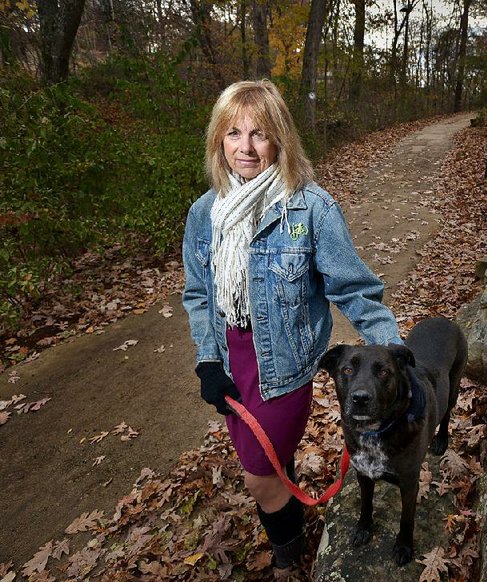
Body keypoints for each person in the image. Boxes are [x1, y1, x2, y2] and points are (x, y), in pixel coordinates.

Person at [182, 80, 402, 578]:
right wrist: (207, 359)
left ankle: (288, 558)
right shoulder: (204, 213)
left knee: (258, 478)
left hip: (283, 369)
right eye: (233, 133)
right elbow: (199, 295)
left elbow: (354, 290)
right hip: (231, 361)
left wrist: (393, 349)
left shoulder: (312, 209)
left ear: (279, 138)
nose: (245, 147)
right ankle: (290, 513)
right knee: (270, 465)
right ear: (219, 139)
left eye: (258, 134)